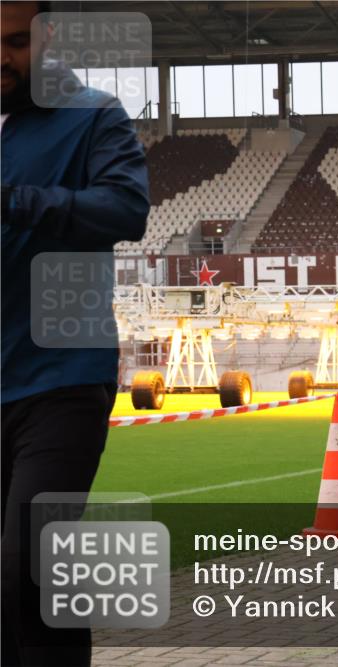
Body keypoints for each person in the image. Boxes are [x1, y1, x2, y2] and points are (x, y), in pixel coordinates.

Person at [2, 2, 150, 664]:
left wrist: (14, 199)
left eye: (14, 41)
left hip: (61, 378)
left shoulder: (94, 116)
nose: (1, 58)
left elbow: (125, 208)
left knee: (31, 569)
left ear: (47, 35)